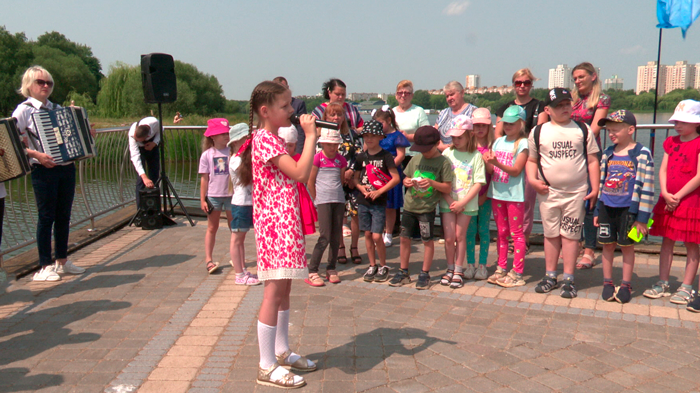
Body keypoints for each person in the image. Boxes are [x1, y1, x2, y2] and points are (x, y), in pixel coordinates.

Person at [239, 81, 317, 388]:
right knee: (273, 292)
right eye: (284, 106)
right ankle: (266, 364)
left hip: (285, 221)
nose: (291, 111)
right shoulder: (264, 140)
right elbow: (299, 173)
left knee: (284, 290)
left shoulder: (269, 138)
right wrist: (311, 136)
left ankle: (281, 349)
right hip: (276, 226)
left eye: (290, 105)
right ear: (265, 111)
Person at [13, 66, 88, 281]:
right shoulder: (24, 110)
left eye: (49, 83)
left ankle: (62, 261)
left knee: (63, 216)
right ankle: (44, 266)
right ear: (29, 85)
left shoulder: (57, 109)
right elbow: (12, 142)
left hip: (66, 167)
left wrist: (85, 133)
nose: (45, 86)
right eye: (40, 82)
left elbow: (69, 137)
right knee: (46, 217)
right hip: (43, 170)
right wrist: (37, 155)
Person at [526, 88, 600, 298]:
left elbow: (593, 160)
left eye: (567, 103)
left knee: (571, 235)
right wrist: (532, 180)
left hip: (576, 193)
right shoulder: (539, 131)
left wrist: (595, 188)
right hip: (548, 192)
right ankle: (550, 275)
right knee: (550, 234)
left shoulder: (582, 129)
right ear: (547, 110)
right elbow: (532, 161)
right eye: (559, 105)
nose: (564, 108)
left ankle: (569, 277)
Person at [644, 100, 700, 311]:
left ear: (696, 123)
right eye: (676, 121)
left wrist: (678, 195)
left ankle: (686, 286)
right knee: (666, 241)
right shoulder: (670, 142)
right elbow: (663, 170)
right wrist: (665, 193)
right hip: (668, 199)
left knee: (691, 243)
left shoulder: (699, 143)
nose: (678, 125)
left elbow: (698, 175)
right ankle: (662, 282)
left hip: (690, 201)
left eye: (683, 122)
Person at [593, 110, 654, 303]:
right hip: (607, 207)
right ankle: (608, 282)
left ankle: (626, 284)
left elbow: (648, 187)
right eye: (609, 130)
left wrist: (642, 218)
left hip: (629, 210)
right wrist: (597, 210)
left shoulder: (642, 154)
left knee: (627, 247)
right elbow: (602, 184)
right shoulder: (607, 153)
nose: (611, 133)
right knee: (607, 246)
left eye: (616, 129)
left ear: (630, 130)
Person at [389, 126, 453, 290]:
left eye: (427, 149)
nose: (424, 153)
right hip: (410, 206)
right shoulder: (416, 159)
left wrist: (432, 183)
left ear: (437, 144)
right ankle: (403, 271)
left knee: (427, 240)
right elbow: (406, 177)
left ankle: (425, 273)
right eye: (420, 149)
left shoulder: (443, 162)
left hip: (426, 208)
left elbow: (447, 187)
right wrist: (407, 182)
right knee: (404, 238)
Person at [494, 69, 548, 253]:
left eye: (526, 82)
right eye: (518, 83)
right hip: (508, 157)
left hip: (530, 157)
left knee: (526, 201)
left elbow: (539, 132)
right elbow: (498, 134)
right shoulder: (505, 108)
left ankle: (522, 238)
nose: (522, 86)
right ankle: (508, 237)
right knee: (506, 199)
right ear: (513, 85)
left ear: (531, 84)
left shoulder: (539, 106)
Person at [570, 62, 611, 270]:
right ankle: (573, 244)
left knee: (589, 202)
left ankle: (589, 250)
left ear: (593, 76)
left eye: (581, 77)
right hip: (569, 157)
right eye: (575, 78)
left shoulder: (601, 100)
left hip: (589, 155)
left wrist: (571, 138)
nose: (577, 81)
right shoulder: (571, 99)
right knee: (572, 202)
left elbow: (594, 128)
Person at [483, 106, 529, 287]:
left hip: (514, 196)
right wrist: (488, 162)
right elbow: (491, 170)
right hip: (497, 193)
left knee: (516, 233)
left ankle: (517, 272)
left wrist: (496, 163)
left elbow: (517, 171)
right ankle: (501, 267)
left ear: (520, 123)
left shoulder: (523, 143)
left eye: (512, 123)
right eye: (505, 123)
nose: (508, 126)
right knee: (501, 232)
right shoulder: (498, 142)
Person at [439, 115, 485, 289]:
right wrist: (450, 200)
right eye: (453, 137)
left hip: (467, 203)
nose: (456, 141)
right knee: (449, 237)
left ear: (469, 135)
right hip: (448, 202)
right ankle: (450, 268)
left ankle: (459, 269)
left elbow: (478, 182)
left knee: (460, 236)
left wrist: (463, 202)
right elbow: (442, 180)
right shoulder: (447, 153)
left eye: (460, 137)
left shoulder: (476, 156)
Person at [354, 120, 400, 283]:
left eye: (372, 136)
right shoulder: (361, 156)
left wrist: (379, 191)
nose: (369, 139)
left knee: (376, 235)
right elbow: (355, 178)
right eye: (366, 136)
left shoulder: (386, 156)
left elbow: (395, 178)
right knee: (366, 233)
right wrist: (361, 188)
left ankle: (383, 265)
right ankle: (372, 265)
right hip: (363, 200)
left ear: (380, 137)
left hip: (379, 201)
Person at [322, 103, 363, 264]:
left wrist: (351, 171)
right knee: (338, 216)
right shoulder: (323, 136)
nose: (336, 118)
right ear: (326, 117)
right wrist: (340, 174)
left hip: (351, 180)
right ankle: (340, 247)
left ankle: (354, 247)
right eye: (332, 115)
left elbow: (360, 154)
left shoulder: (351, 134)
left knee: (355, 214)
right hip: (333, 181)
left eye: (339, 115)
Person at [306, 128, 347, 286]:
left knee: (336, 236)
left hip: (338, 200)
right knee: (325, 236)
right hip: (323, 201)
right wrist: (315, 199)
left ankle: (331, 267)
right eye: (329, 144)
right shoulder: (317, 158)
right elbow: (310, 181)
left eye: (335, 144)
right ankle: (313, 269)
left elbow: (341, 180)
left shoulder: (341, 160)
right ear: (322, 143)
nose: (332, 147)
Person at [199, 118, 233, 274]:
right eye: (221, 134)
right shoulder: (207, 155)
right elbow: (204, 178)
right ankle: (209, 260)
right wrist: (203, 199)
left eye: (227, 133)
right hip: (214, 195)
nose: (226, 136)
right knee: (212, 227)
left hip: (232, 195)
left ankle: (236, 256)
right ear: (212, 136)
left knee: (235, 228)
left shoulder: (232, 151)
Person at [227, 123, 259, 286]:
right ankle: (239, 274)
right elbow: (248, 173)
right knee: (237, 238)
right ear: (236, 141)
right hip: (241, 204)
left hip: (250, 202)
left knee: (242, 238)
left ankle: (243, 269)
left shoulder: (245, 156)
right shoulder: (235, 159)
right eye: (246, 139)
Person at [374, 106, 410, 247]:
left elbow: (401, 155)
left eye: (380, 123)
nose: (379, 127)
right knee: (378, 205)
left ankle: (388, 233)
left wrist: (388, 166)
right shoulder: (377, 136)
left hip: (392, 173)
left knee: (390, 205)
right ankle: (379, 231)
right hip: (376, 174)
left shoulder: (398, 136)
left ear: (389, 121)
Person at [466, 108, 494, 280]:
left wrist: (488, 162)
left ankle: (482, 265)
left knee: (483, 230)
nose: (480, 129)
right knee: (469, 231)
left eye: (484, 125)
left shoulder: (492, 147)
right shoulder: (467, 147)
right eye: (477, 126)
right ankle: (469, 264)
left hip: (485, 195)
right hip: (468, 196)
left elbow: (494, 173)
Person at [393, 80, 430, 167]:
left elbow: (427, 134)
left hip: (414, 155)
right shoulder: (391, 112)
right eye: (400, 93)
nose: (403, 95)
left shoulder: (419, 111)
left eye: (406, 93)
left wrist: (408, 137)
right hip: (395, 155)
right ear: (396, 95)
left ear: (412, 96)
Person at [128, 116, 161, 209]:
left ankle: (155, 209)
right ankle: (140, 210)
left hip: (153, 148)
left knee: (155, 176)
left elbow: (161, 129)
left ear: (147, 136)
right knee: (141, 181)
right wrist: (144, 177)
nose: (137, 141)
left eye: (139, 140)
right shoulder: (132, 134)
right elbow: (135, 157)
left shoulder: (154, 122)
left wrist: (154, 143)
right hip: (140, 152)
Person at [435, 81, 477, 151]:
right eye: (447, 96)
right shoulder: (443, 113)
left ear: (462, 93)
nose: (449, 98)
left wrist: (453, 148)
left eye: (452, 94)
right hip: (442, 154)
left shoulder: (473, 111)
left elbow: (477, 136)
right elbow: (434, 134)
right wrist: (440, 146)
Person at [273, 77, 307, 154]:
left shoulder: (298, 104)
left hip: (293, 147)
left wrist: (298, 152)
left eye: (285, 88)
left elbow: (301, 131)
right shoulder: (271, 108)